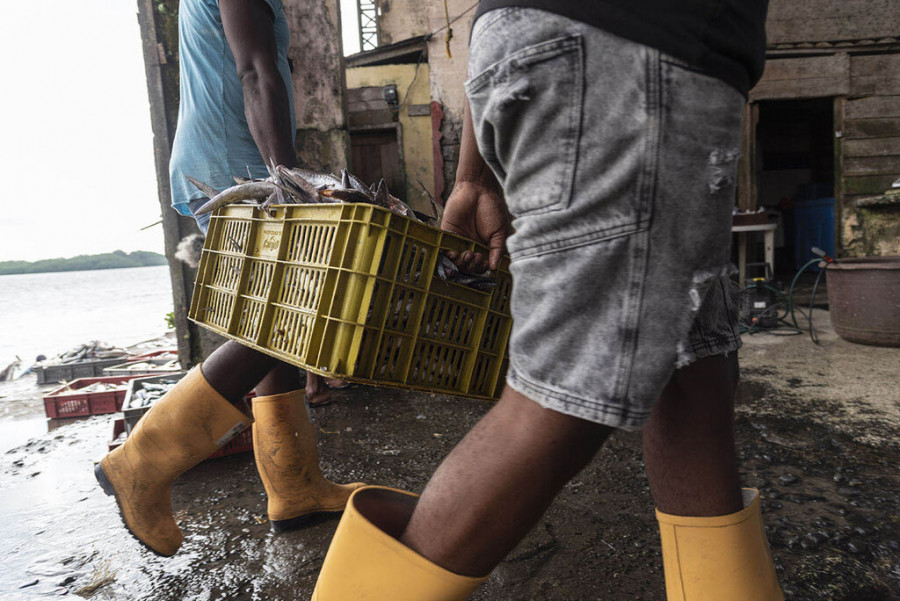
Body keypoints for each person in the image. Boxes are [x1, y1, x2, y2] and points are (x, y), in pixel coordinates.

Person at [311, 1, 784, 600]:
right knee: (567, 393)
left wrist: (473, 178)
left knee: (692, 362)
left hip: (563, 47)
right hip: (634, 53)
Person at [94, 0, 362, 557]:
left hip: (224, 158)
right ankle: (139, 462)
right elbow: (254, 69)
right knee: (282, 322)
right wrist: (290, 180)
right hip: (231, 166)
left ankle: (295, 488)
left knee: (277, 326)